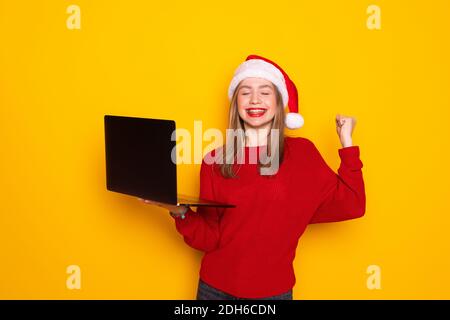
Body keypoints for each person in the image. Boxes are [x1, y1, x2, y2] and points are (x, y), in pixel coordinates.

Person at [139, 54, 366, 300]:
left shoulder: (302, 154)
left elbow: (353, 203)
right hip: (213, 290)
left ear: (279, 103)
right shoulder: (214, 160)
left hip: (272, 294)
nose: (254, 99)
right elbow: (210, 238)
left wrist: (347, 142)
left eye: (265, 92)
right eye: (245, 92)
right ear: (236, 102)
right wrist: (179, 211)